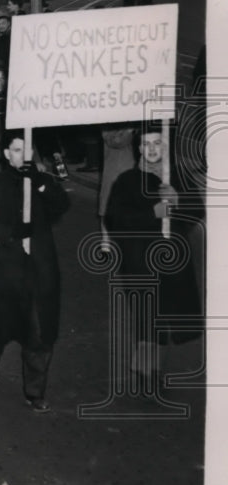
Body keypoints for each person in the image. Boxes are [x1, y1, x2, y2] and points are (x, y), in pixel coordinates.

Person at [0, 130, 69, 412]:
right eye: (16, 150)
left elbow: (62, 204)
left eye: (26, 151)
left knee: (39, 330)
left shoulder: (40, 182)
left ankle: (35, 391)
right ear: (6, 154)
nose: (21, 156)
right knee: (0, 324)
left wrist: (40, 182)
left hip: (38, 268)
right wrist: (11, 233)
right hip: (6, 270)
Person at [104, 125, 202, 381]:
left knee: (168, 311)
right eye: (146, 145)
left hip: (172, 259)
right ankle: (146, 370)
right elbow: (117, 220)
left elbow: (198, 210)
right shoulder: (127, 181)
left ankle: (153, 366)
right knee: (148, 315)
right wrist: (153, 213)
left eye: (157, 143)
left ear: (165, 147)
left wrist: (178, 200)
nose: (152, 149)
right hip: (140, 260)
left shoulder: (176, 176)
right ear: (139, 150)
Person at [98, 123, 136, 252]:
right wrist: (128, 131)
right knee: (106, 206)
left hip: (135, 171)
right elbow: (115, 141)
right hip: (114, 172)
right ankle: (105, 243)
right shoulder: (109, 122)